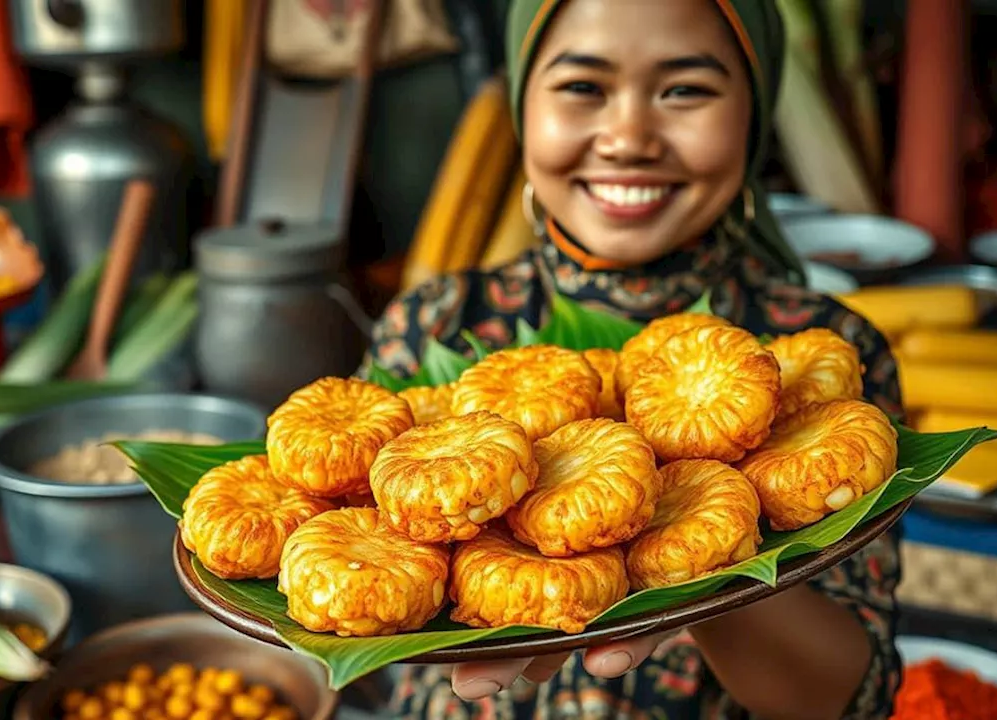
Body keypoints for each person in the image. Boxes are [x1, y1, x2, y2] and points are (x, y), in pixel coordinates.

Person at [358, 0, 904, 718]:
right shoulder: (438, 327)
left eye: (684, 89)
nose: (628, 137)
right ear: (524, 103)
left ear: (756, 108)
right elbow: (375, 577)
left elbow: (846, 696)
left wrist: (705, 571)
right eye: (583, 87)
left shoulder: (825, 359)